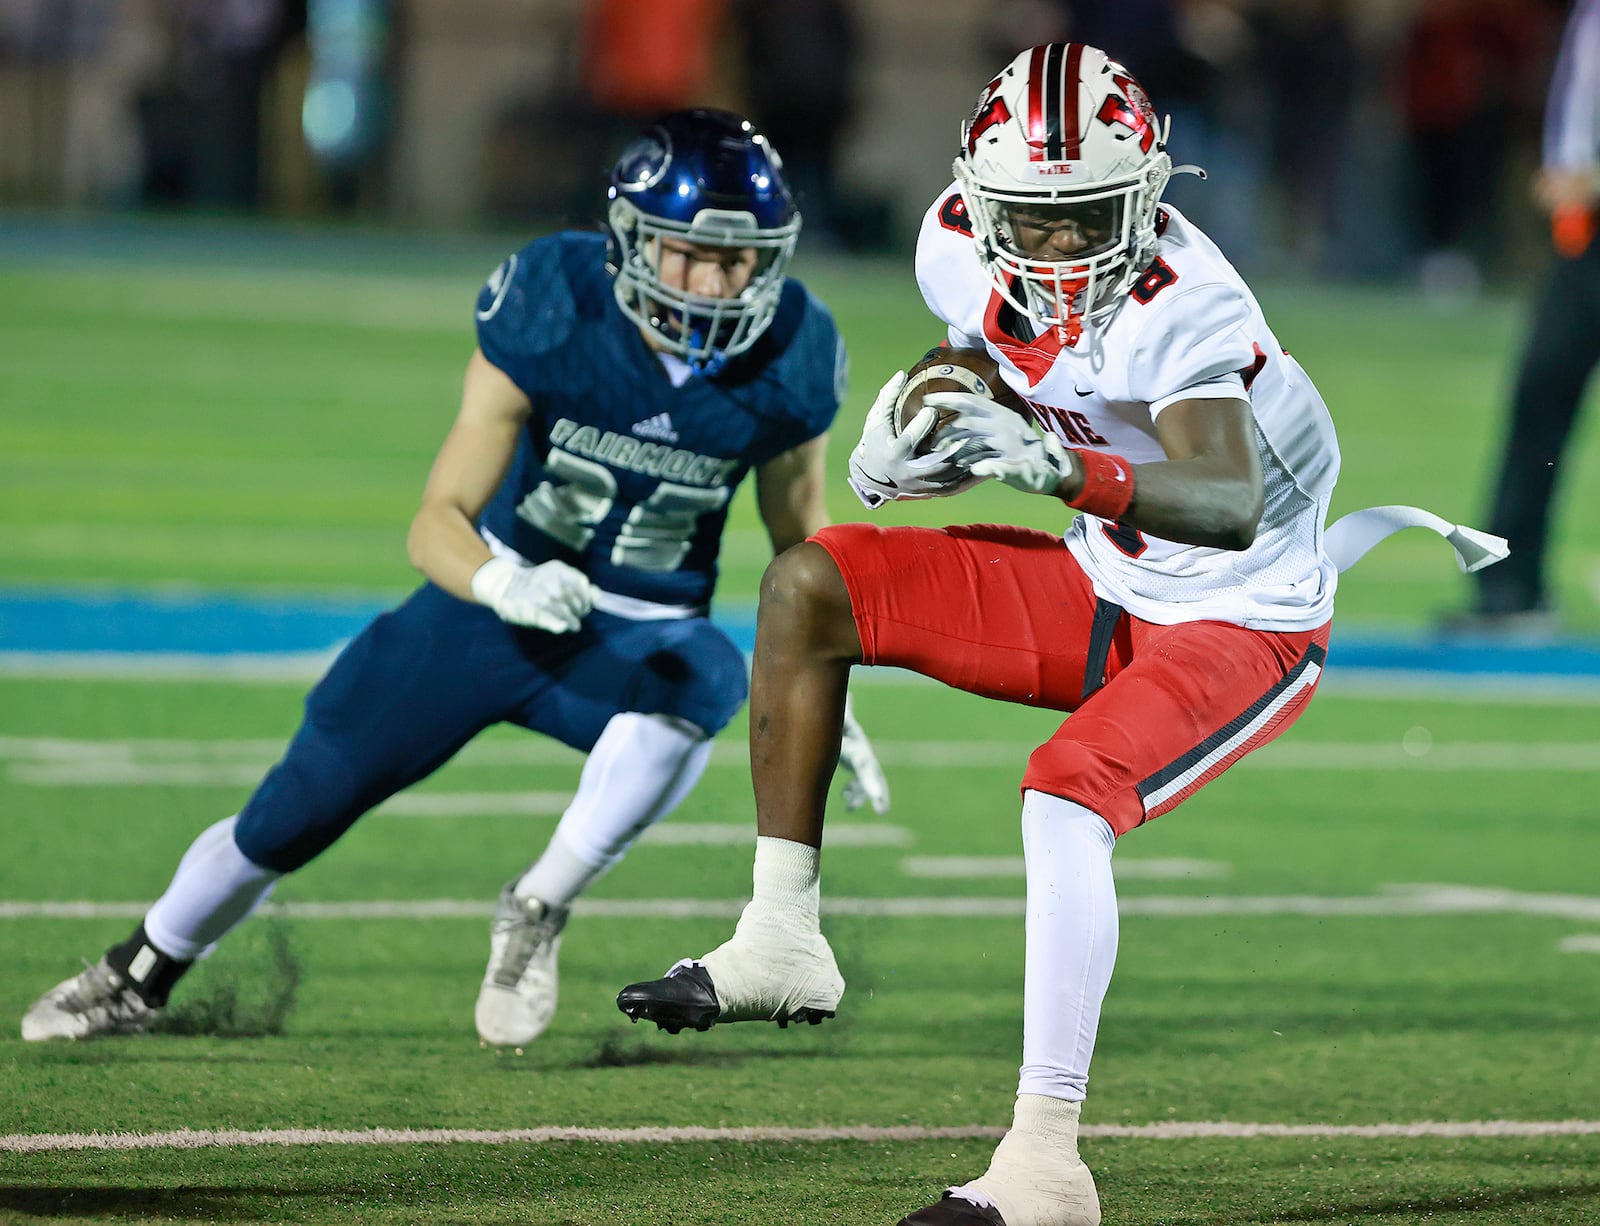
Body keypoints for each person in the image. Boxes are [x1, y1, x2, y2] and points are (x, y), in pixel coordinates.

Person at [616, 47, 1501, 1226]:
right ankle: (781, 935)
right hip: (1109, 578)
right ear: (978, 210)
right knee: (805, 586)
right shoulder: (955, 245)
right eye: (1030, 224)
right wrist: (923, 406)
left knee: (1064, 795)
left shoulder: (1188, 301)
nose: (1059, 253)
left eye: (1087, 221)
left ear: (1145, 197)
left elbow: (1225, 497)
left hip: (1240, 618)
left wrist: (1053, 464)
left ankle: (1045, 1163)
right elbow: (984, 348)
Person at [21, 107, 888, 1047]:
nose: (722, 284)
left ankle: (539, 907)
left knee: (712, 675)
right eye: (693, 254)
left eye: (743, 260)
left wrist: (818, 695)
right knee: (294, 808)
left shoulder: (793, 352)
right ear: (632, 240)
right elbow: (435, 522)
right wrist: (501, 584)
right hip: (495, 608)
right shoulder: (556, 303)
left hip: (642, 637)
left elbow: (802, 538)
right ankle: (141, 969)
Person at [1447, 0, 1600, 633]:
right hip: (1584, 238)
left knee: (1544, 392)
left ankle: (1512, 586)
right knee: (1540, 394)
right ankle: (1511, 589)